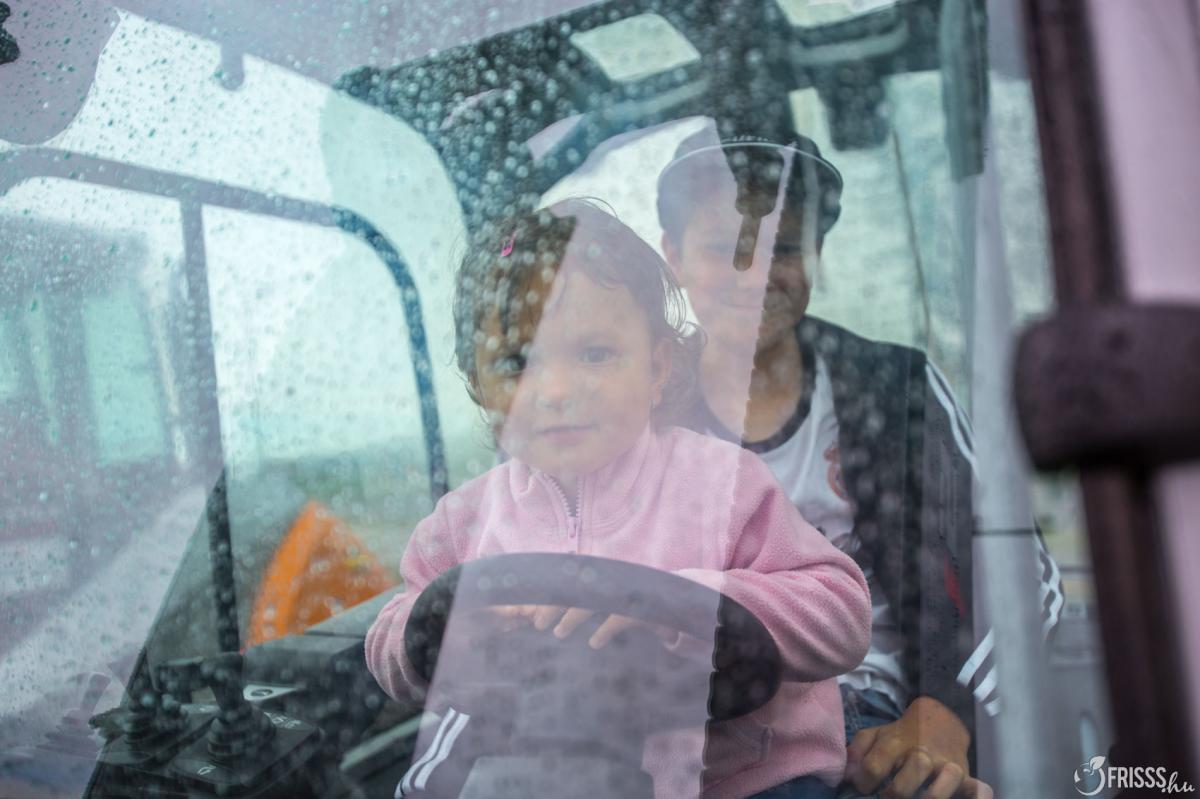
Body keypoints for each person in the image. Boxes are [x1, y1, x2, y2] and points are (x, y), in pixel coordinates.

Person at [366, 200, 873, 799]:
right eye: (516, 362)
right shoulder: (463, 523)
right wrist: (436, 629)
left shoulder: (723, 485)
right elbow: (391, 641)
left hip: (744, 779)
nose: (555, 390)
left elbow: (842, 613)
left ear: (657, 368)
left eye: (594, 354)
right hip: (548, 777)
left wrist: (697, 602)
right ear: (478, 387)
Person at [656, 126, 1062, 799]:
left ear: (817, 252)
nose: (755, 272)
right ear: (672, 255)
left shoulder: (894, 387)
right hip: (705, 738)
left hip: (880, 736)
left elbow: (1029, 577)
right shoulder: (644, 413)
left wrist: (946, 713)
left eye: (785, 246)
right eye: (726, 247)